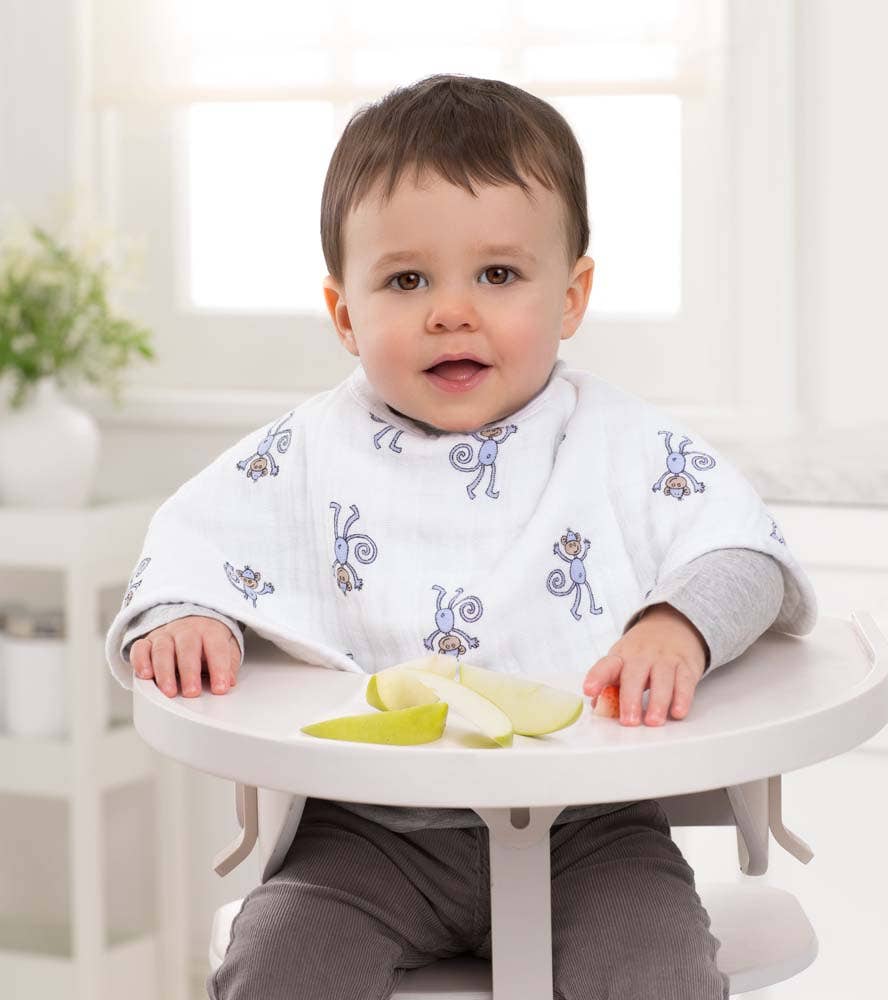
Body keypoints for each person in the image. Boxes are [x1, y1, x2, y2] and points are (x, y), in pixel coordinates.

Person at [110, 74, 817, 1000]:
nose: (451, 311)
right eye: (406, 280)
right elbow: (192, 543)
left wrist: (674, 626)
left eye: (497, 275)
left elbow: (743, 551)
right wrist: (187, 614)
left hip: (593, 829)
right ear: (345, 314)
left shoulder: (615, 442)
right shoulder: (307, 453)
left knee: (657, 973)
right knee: (276, 963)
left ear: (570, 296)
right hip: (365, 832)